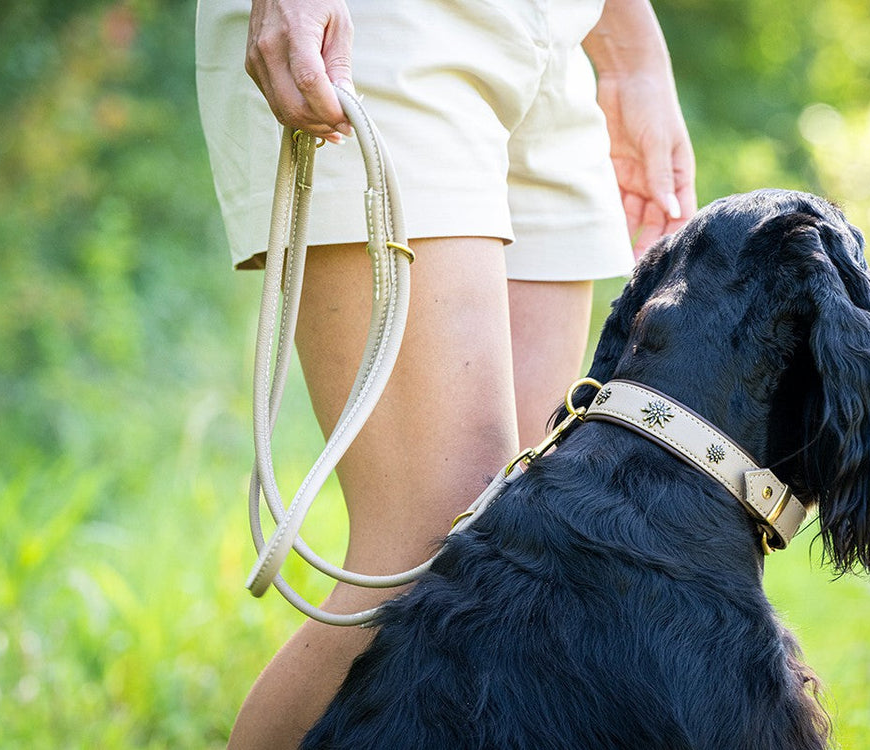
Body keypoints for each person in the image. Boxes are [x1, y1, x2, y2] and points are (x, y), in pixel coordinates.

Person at [196, 0, 696, 746]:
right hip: (383, 26)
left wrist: (633, 55)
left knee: (517, 569)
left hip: (551, 39)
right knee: (432, 557)